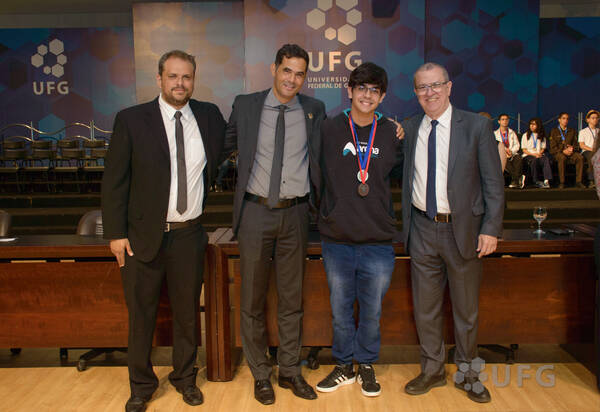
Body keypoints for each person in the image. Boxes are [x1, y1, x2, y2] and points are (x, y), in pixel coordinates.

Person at [101, 50, 226, 412]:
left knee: (187, 314)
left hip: (188, 235)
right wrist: (116, 234)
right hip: (142, 237)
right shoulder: (131, 119)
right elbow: (114, 181)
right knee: (142, 316)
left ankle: (185, 378)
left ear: (193, 80)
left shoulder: (209, 116)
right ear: (159, 79)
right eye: (172, 76)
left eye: (186, 77)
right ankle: (141, 386)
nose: (179, 83)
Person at [223, 44, 326, 405]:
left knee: (291, 299)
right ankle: (260, 374)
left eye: (299, 74)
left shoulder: (314, 109)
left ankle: (290, 371)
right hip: (255, 212)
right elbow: (222, 145)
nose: (292, 79)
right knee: (251, 299)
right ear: (274, 69)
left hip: (295, 215)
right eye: (287, 70)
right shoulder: (246, 105)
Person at [401, 62, 504, 403]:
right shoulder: (410, 128)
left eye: (435, 85)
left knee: (466, 311)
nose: (429, 92)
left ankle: (467, 375)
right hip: (421, 229)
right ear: (415, 93)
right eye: (422, 87)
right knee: (425, 309)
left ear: (449, 87)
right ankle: (432, 371)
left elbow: (493, 184)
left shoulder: (477, 126)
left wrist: (490, 228)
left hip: (464, 232)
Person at [313, 62, 403, 397]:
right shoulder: (328, 129)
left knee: (372, 312)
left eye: (374, 90)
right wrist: (327, 213)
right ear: (349, 90)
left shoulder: (392, 133)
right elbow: (316, 175)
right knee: (340, 311)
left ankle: (365, 364)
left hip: (378, 239)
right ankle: (343, 366)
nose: (367, 95)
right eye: (361, 88)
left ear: (383, 96)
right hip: (337, 239)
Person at [549, 112, 584, 188]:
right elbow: (552, 147)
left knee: (580, 157)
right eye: (563, 118)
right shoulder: (554, 131)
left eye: (567, 119)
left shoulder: (572, 131)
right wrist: (562, 151)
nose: (565, 120)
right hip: (559, 153)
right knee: (562, 158)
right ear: (559, 120)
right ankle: (562, 182)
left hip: (571, 152)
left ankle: (578, 181)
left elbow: (576, 145)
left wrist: (572, 148)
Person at [494, 113, 524, 188]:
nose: (505, 121)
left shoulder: (512, 132)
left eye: (506, 120)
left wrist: (511, 151)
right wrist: (505, 152)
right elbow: (495, 146)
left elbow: (517, 145)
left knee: (518, 159)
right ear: (499, 121)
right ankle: (517, 179)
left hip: (512, 153)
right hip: (501, 154)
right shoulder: (495, 134)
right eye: (503, 119)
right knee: (505, 161)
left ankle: (515, 180)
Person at [522, 118, 552, 189]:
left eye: (534, 124)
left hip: (539, 155)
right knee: (534, 160)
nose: (532, 126)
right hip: (529, 155)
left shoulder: (541, 136)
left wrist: (539, 154)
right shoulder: (525, 135)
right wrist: (534, 155)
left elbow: (543, 148)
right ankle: (535, 181)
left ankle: (546, 180)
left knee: (545, 159)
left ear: (538, 125)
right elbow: (524, 150)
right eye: (531, 124)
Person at [579, 109, 600, 188]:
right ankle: (591, 180)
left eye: (596, 118)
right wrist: (593, 149)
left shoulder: (598, 131)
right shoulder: (583, 131)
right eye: (593, 118)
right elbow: (582, 145)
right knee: (592, 157)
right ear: (588, 120)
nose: (595, 120)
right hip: (587, 151)